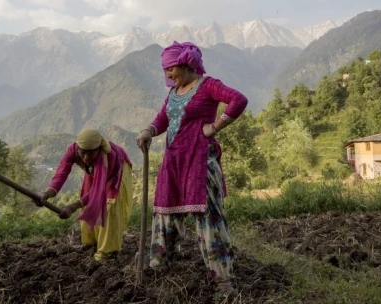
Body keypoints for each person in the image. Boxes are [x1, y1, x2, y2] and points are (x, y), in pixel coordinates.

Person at [135, 41, 248, 293]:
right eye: (165, 70)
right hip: (173, 160)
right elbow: (164, 117)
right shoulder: (175, 92)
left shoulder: (208, 86)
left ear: (185, 65)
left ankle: (223, 279)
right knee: (165, 211)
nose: (167, 75)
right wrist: (148, 131)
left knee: (207, 217)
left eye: (170, 69)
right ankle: (160, 264)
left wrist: (215, 127)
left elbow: (238, 100)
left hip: (199, 161)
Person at [38, 128, 133, 261]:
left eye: (90, 154)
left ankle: (107, 251)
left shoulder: (106, 158)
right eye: (83, 154)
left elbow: (96, 192)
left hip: (116, 172)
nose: (86, 158)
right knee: (88, 203)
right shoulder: (73, 150)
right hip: (93, 171)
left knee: (109, 206)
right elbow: (61, 173)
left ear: (98, 150)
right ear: (78, 149)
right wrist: (46, 194)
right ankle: (91, 241)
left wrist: (72, 207)